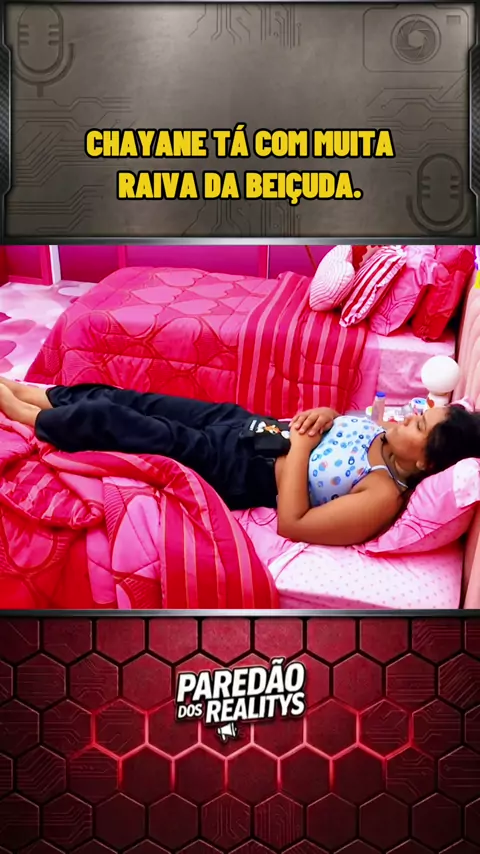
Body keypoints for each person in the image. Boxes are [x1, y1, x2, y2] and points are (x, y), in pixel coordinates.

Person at [0, 379, 478, 547]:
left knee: (125, 424)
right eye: (418, 413)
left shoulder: (381, 495)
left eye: (419, 424)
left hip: (239, 469)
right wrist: (326, 414)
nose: (409, 416)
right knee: (136, 400)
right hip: (250, 426)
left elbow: (294, 524)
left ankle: (24, 416)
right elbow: (336, 427)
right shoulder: (385, 434)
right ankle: (35, 393)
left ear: (426, 463)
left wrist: (299, 448)